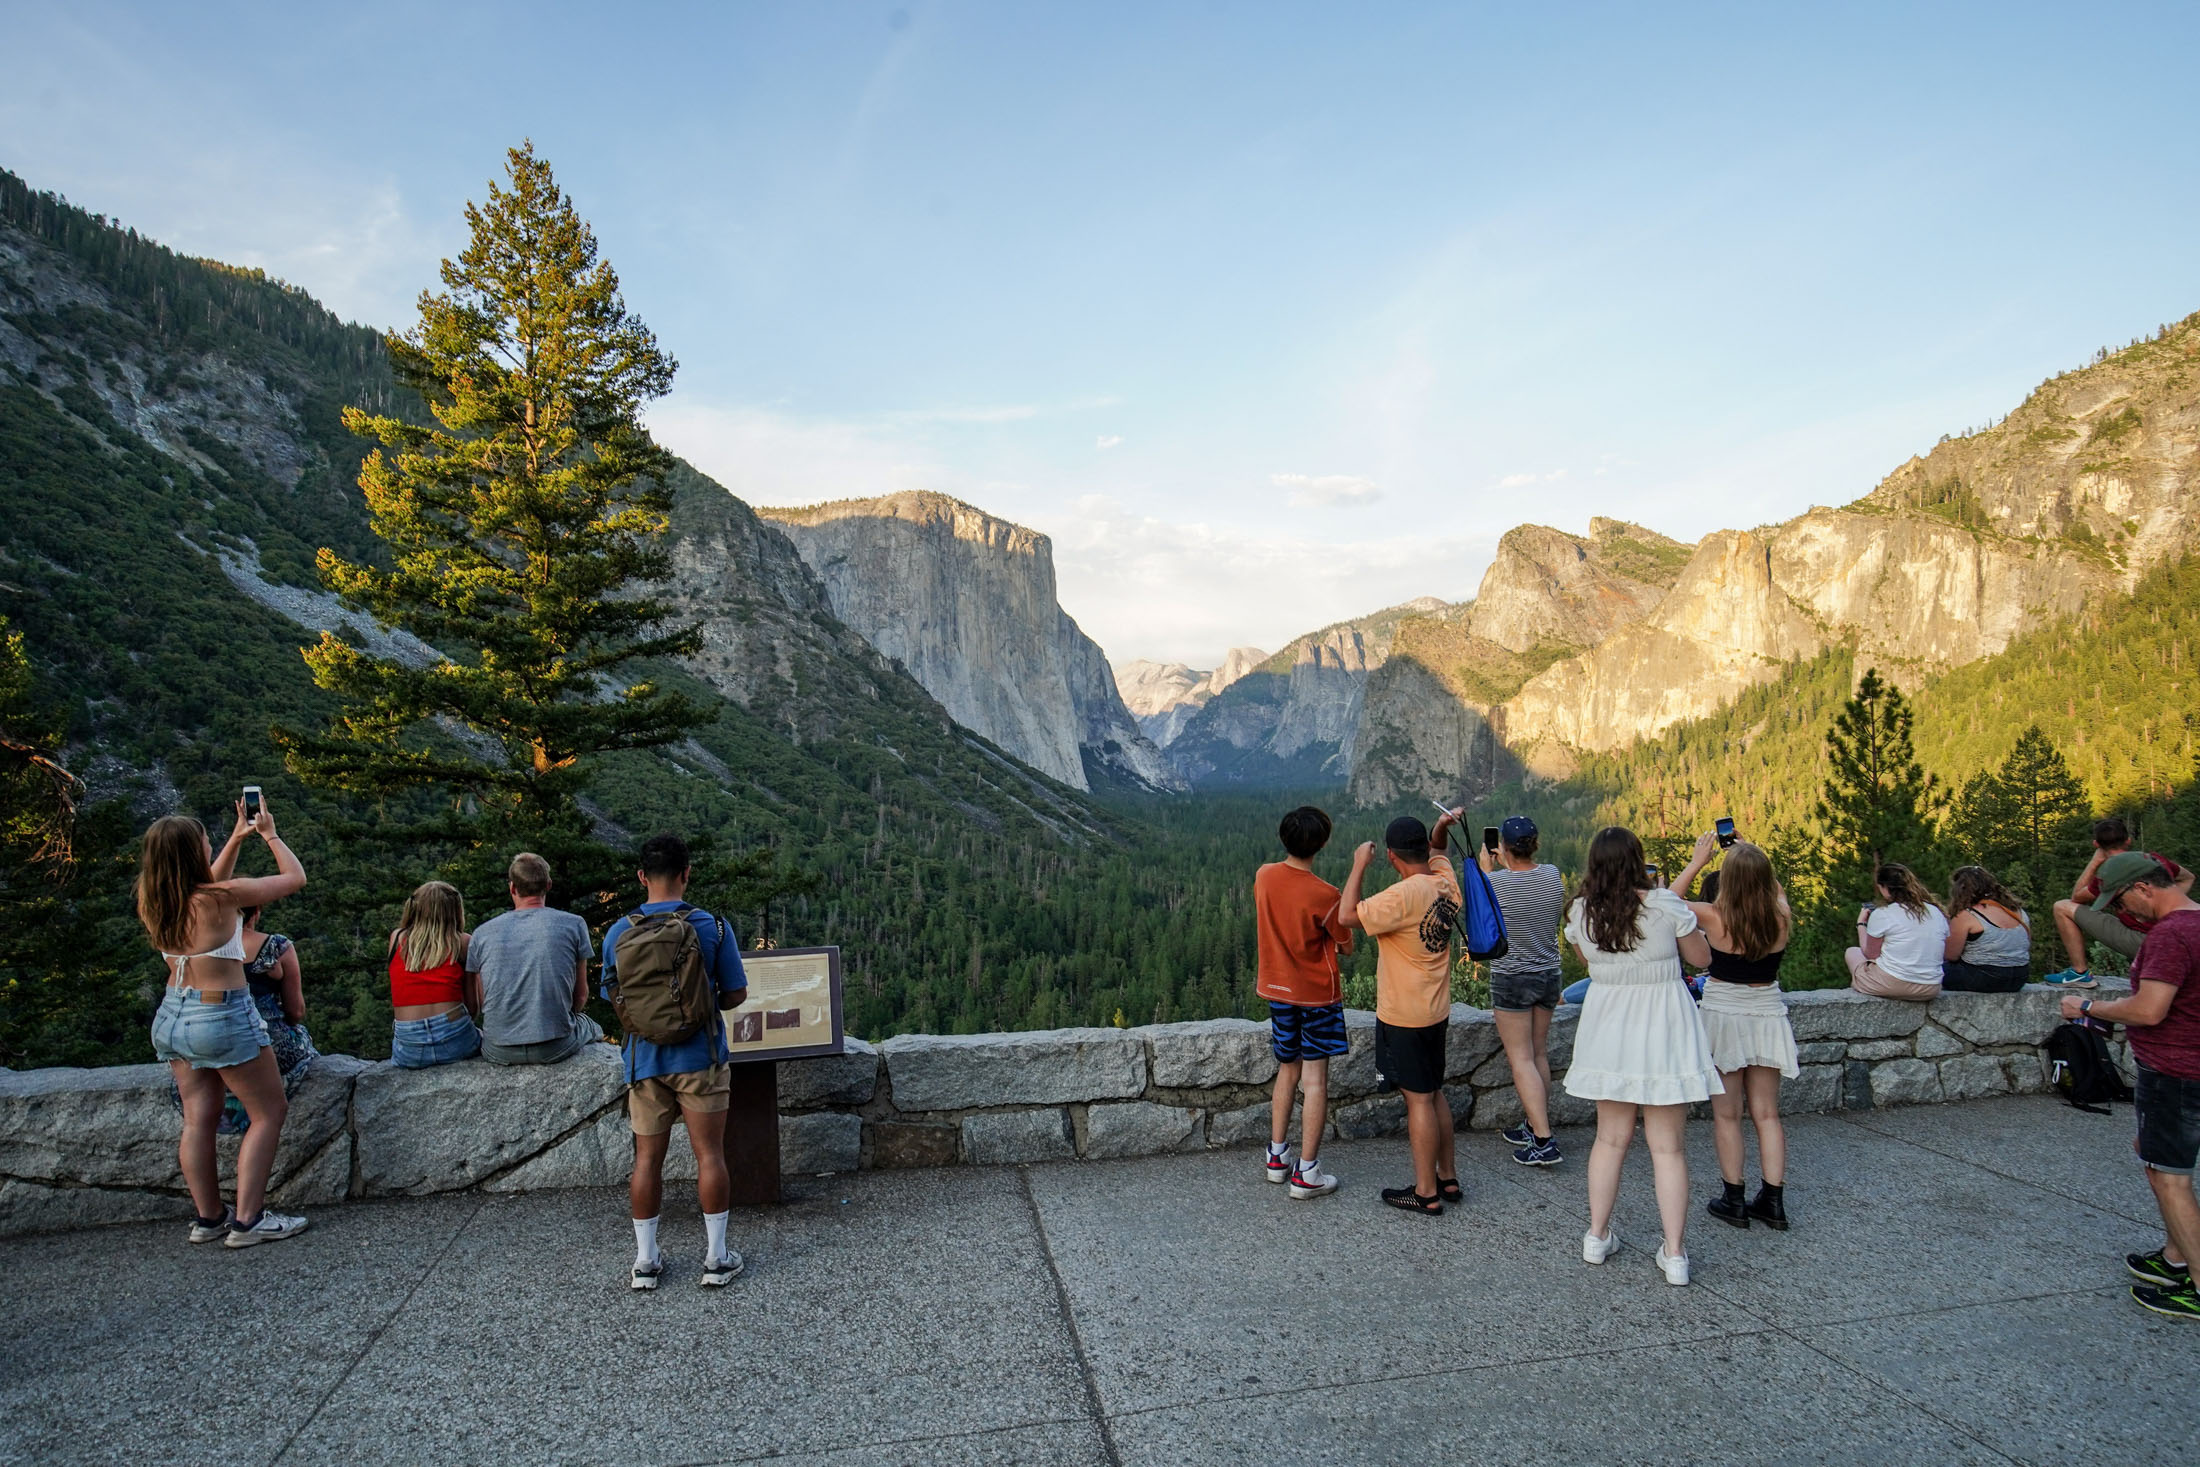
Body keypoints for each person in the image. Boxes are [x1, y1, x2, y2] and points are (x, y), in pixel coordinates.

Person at [139, 797, 310, 1248]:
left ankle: (209, 1218)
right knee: (268, 1111)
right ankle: (250, 1220)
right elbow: (295, 878)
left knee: (198, 1119)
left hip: (173, 1014)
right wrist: (269, 834)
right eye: (205, 842)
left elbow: (205, 884)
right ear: (193, 852)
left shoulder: (155, 902)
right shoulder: (222, 898)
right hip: (221, 1014)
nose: (210, 845)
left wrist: (237, 836)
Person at [1562, 825, 1720, 1285]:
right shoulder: (1665, 904)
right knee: (1667, 1146)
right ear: (1636, 860)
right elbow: (1701, 959)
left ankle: (1597, 1235)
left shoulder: (1580, 911)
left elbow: (1587, 962)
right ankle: (1674, 1254)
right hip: (1664, 1025)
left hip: (1609, 1025)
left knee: (1609, 1139)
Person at [601, 834, 751, 1290]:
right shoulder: (712, 927)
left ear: (642, 877)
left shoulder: (616, 932)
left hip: (643, 1061)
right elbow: (736, 994)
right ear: (687, 873)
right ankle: (716, 1258)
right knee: (710, 1154)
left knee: (647, 1160)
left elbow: (614, 995)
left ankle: (646, 1262)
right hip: (699, 1058)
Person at [2055, 853, 2200, 1321]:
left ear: (2144, 888)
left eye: (2123, 902)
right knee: (2159, 1163)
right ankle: (2175, 1258)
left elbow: (2149, 1010)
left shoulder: (2171, 935)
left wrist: (2088, 1006)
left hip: (2175, 1071)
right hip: (2188, 1069)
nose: (2125, 915)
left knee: (2169, 1177)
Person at [1340, 811, 1464, 1215]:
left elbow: (1346, 916)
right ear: (1425, 849)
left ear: (1392, 856)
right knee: (1434, 1092)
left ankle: (1425, 1192)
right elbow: (1442, 851)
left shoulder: (1402, 896)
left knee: (1419, 1102)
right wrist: (1442, 827)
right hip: (1437, 1010)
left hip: (1403, 1016)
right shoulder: (1445, 882)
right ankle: (1447, 1176)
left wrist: (1359, 863)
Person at [1674, 833, 1795, 1231]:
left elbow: (1666, 903)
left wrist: (1696, 862)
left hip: (1724, 1015)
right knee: (1767, 1115)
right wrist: (1752, 849)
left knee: (1728, 1116)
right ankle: (1773, 1201)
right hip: (1767, 1015)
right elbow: (1773, 888)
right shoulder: (1780, 915)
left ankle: (1734, 1197)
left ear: (1726, 879)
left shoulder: (1713, 915)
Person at [1254, 805, 1351, 1200]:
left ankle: (1276, 1159)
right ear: (1323, 844)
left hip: (1277, 991)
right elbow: (1346, 946)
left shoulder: (1264, 876)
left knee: (1287, 1071)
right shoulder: (1326, 895)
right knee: (1315, 1081)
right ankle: (1306, 1174)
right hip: (1316, 996)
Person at [165, 902, 317, 1134]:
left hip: (198, 1044)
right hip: (261, 1045)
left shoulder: (189, 947)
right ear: (255, 912)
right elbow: (295, 1012)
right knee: (300, 1040)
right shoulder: (276, 947)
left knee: (195, 1125)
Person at [1479, 815, 1567, 1167]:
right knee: (1539, 1053)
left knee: (1521, 1059)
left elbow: (1483, 911)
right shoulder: (1552, 875)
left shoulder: (1495, 884)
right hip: (1548, 973)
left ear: (1502, 847)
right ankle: (1533, 1124)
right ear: (1536, 844)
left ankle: (1544, 1140)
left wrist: (1487, 867)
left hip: (1512, 977)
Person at [466, 852, 603, 1065]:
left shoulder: (481, 933)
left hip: (498, 1049)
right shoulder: (574, 924)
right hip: (555, 1045)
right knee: (591, 1026)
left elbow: (485, 1001)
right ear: (548, 885)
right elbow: (580, 996)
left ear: (512, 888)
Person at [2046, 818, 2192, 988]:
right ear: (2128, 840)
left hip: (2144, 940)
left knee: (2062, 906)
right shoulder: (2154, 860)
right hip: (2170, 933)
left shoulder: (2111, 873)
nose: (2123, 908)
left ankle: (2079, 972)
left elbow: (2076, 897)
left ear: (2096, 844)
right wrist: (2169, 909)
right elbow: (2188, 877)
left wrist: (2094, 862)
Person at [388, 881, 482, 1069]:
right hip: (454, 1038)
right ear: (454, 910)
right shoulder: (463, 942)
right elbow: (473, 1007)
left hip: (409, 1048)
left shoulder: (397, 938)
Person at [1845, 862, 1948, 1001]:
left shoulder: (1883, 913)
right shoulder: (1935, 912)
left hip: (1894, 985)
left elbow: (1870, 954)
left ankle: (1864, 984)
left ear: (1885, 888)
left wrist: (1861, 924)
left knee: (1852, 952)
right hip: (1930, 988)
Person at [1941, 866, 2033, 994]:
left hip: (1984, 977)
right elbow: (2026, 944)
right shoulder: (2018, 912)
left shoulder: (1967, 915)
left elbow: (1951, 955)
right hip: (2019, 977)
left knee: (1933, 969)